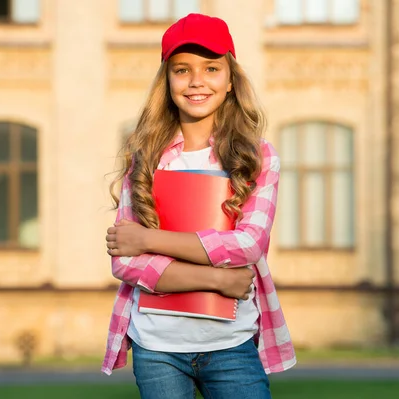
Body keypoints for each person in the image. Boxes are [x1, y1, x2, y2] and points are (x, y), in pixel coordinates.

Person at [102, 13, 296, 399]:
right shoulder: (145, 158)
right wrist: (218, 279)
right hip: (156, 347)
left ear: (229, 81)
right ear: (167, 81)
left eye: (211, 68)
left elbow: (248, 246)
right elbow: (126, 261)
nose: (196, 81)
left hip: (231, 344)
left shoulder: (257, 157)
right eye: (182, 69)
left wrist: (148, 239)